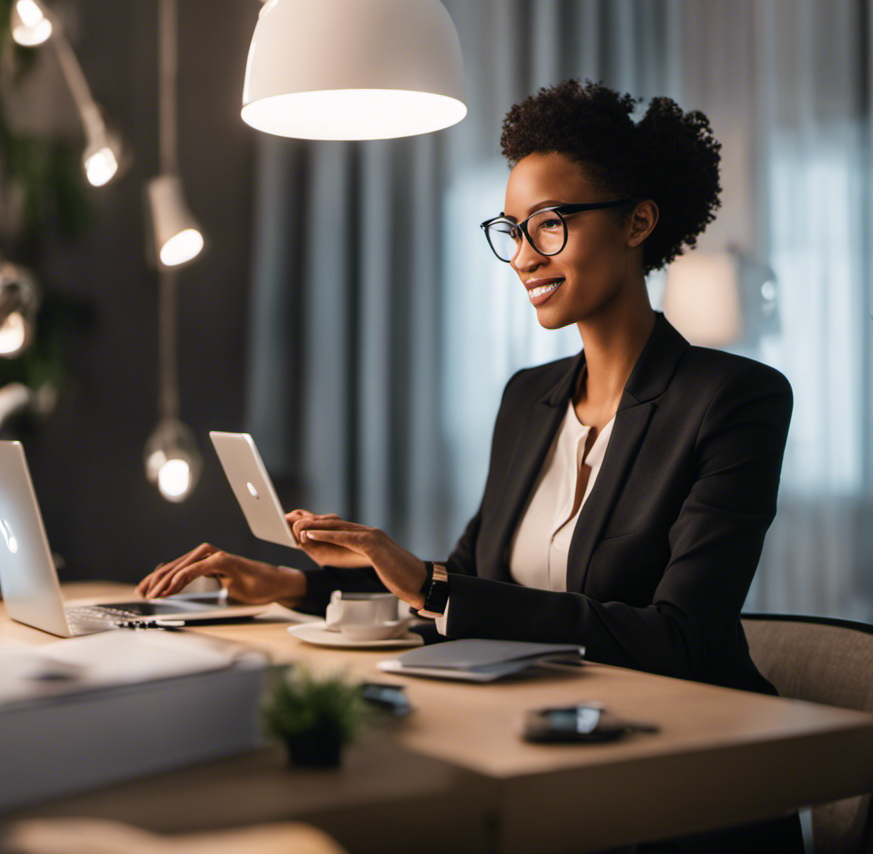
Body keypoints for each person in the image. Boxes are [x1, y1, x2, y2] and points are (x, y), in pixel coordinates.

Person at [138, 79, 803, 852]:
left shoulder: (735, 400)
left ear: (639, 222)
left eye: (549, 226)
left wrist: (433, 585)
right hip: (546, 747)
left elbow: (679, 640)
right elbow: (466, 582)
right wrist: (293, 585)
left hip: (690, 788)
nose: (523, 257)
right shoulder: (529, 399)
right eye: (511, 230)